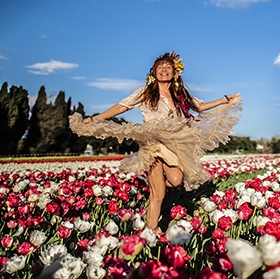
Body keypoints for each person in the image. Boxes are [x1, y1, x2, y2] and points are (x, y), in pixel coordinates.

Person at [69, 51, 242, 229]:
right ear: (153, 72)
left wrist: (223, 100)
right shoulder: (146, 92)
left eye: (168, 67)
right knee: (158, 195)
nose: (164, 70)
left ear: (175, 73)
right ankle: (149, 233)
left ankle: (154, 183)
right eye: (160, 67)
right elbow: (122, 106)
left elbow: (199, 106)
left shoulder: (179, 93)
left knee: (176, 180)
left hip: (172, 143)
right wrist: (96, 118)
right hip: (151, 142)